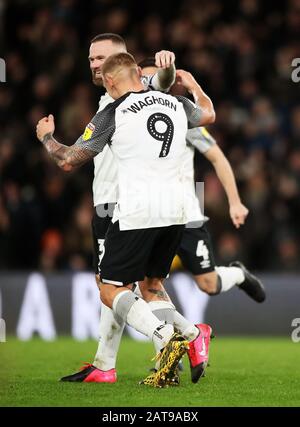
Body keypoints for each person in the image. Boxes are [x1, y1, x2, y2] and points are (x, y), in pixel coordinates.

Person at [36, 52, 216, 387]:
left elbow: (68, 160)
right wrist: (193, 85)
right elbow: (208, 114)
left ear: (110, 80)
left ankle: (164, 335)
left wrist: (46, 137)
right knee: (152, 284)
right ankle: (192, 333)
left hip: (137, 211)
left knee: (109, 289)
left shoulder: (113, 112)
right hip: (177, 211)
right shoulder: (174, 103)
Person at [138, 58, 266, 301]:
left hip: (186, 215)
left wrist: (235, 202)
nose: (150, 85)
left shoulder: (179, 117)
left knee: (208, 283)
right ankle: (174, 336)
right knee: (143, 283)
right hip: (149, 213)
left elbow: (218, 158)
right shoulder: (128, 115)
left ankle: (237, 274)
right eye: (145, 79)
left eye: (156, 79)